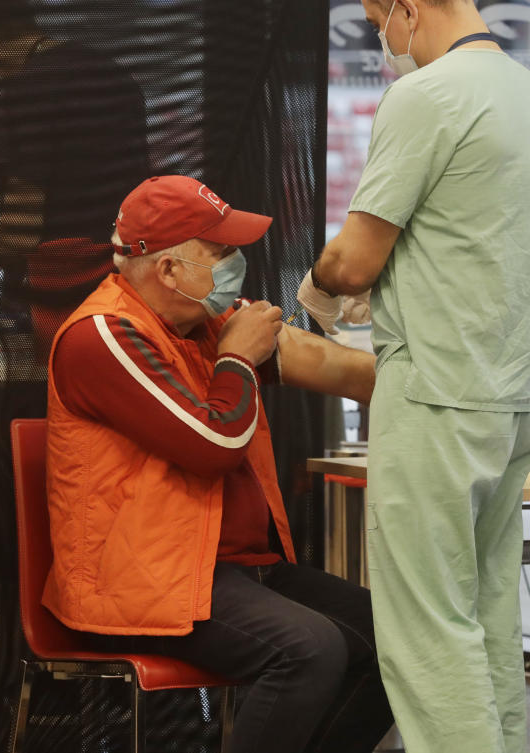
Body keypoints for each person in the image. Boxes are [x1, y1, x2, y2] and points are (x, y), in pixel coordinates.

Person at [43, 174, 393, 753]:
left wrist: (422, 383)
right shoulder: (102, 335)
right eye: (221, 252)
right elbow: (214, 446)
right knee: (309, 648)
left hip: (235, 568)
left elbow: (338, 369)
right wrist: (237, 355)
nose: (237, 262)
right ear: (169, 270)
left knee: (401, 640)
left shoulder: (201, 323)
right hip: (147, 579)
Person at [295, 2, 530, 751]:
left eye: (375, 17)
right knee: (490, 612)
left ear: (407, 6)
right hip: (510, 393)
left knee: (426, 630)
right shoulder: (521, 91)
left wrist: (321, 287)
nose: (379, 36)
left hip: (435, 391)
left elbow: (354, 258)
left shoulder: (427, 94)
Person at [0, 3, 149, 362]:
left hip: (65, 286)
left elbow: (21, 230)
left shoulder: (25, 91)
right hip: (129, 281)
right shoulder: (109, 73)